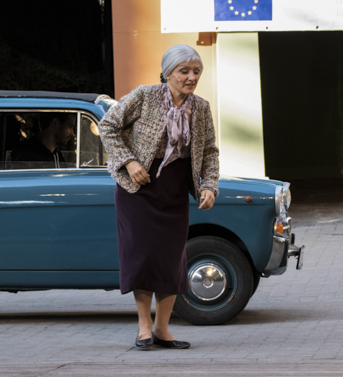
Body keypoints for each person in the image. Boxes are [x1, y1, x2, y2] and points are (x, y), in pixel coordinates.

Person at [99, 44, 219, 350]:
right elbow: (108, 126)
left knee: (170, 258)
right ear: (168, 73)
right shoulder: (143, 95)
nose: (191, 77)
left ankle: (163, 330)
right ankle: (143, 328)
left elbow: (208, 152)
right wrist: (129, 161)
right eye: (184, 71)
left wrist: (209, 186)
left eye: (196, 71)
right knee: (142, 255)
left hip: (175, 188)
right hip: (138, 187)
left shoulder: (201, 108)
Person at [12, 112, 76, 168]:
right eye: (70, 126)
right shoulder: (27, 156)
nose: (72, 134)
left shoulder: (57, 156)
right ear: (55, 123)